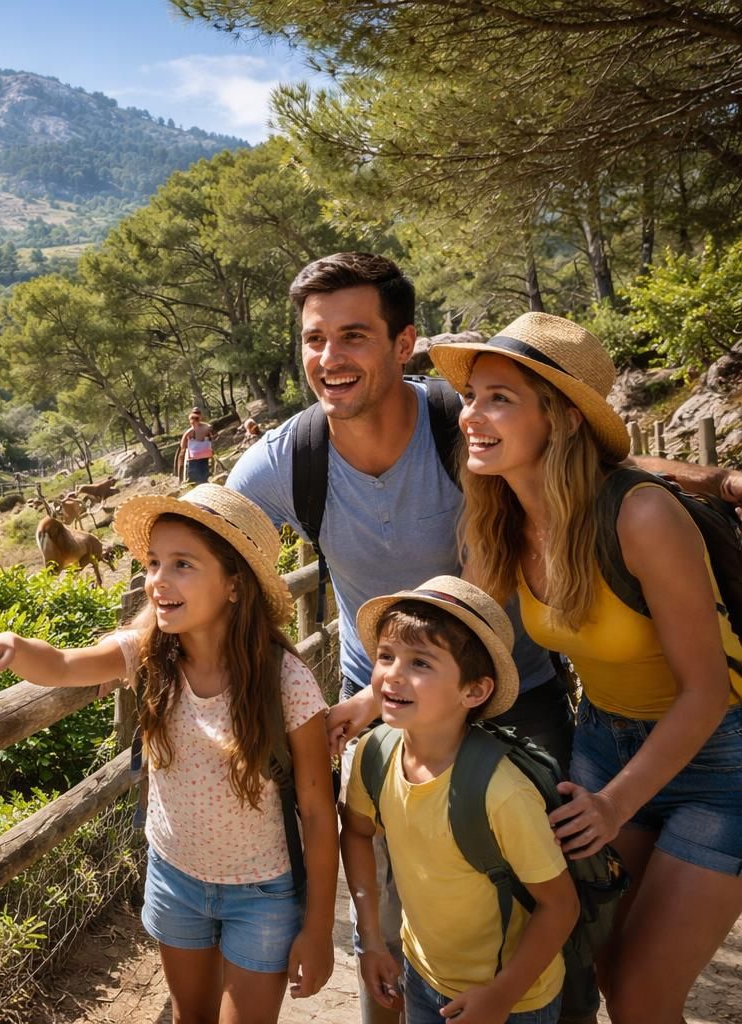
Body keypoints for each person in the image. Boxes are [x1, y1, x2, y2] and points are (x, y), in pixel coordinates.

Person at [228, 252, 571, 1024]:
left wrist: (712, 483)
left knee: (550, 905)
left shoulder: (465, 428)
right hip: (381, 699)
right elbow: (202, 541)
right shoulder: (294, 458)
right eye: (314, 339)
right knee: (381, 909)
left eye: (353, 336)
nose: (329, 359)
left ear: (404, 341)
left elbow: (584, 478)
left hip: (515, 694)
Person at [430, 314, 742, 1023]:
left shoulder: (640, 519)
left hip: (719, 759)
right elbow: (460, 624)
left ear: (564, 419)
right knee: (603, 962)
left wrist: (613, 805)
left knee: (640, 994)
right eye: (471, 396)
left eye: (498, 398)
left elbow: (706, 691)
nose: (471, 415)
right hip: (604, 739)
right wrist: (365, 705)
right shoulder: (502, 514)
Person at [0, 485, 336, 1023]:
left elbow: (317, 810)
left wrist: (317, 931)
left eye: (182, 564)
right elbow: (63, 665)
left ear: (234, 585)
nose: (158, 580)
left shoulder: (285, 680)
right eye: (153, 563)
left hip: (263, 889)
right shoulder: (150, 651)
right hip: (176, 876)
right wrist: (15, 646)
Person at [343, 576, 578, 1024]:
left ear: (474, 691)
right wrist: (372, 941)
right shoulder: (375, 753)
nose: (392, 673)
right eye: (386, 656)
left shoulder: (502, 792)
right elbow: (356, 833)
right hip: (422, 976)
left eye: (421, 663)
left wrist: (502, 995)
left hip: (513, 999)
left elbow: (561, 905)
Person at [178, 407, 217, 484]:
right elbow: (213, 437)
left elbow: (182, 445)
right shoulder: (207, 427)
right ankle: (202, 480)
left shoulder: (190, 431)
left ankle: (182, 479)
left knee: (183, 458)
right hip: (204, 453)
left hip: (195, 456)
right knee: (203, 470)